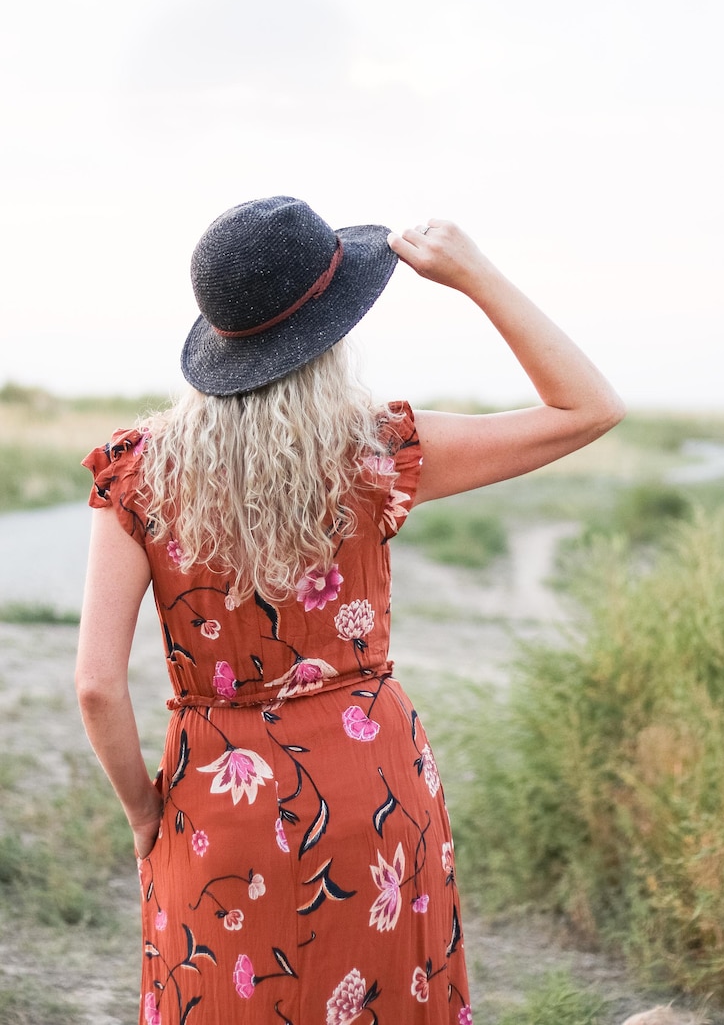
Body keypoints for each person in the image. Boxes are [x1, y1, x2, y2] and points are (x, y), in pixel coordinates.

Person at [76, 195, 624, 1025]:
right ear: (330, 331)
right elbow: (590, 408)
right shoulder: (376, 453)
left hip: (218, 801)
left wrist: (143, 810)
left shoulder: (138, 472)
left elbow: (95, 686)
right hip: (373, 789)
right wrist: (477, 277)